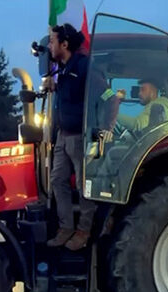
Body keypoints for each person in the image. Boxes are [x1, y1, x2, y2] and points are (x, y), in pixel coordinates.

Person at [44, 23, 116, 251]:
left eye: (52, 41)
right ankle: (66, 227)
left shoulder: (85, 68)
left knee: (85, 186)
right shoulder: (63, 71)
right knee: (57, 181)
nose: (49, 46)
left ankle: (84, 230)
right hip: (63, 137)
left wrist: (106, 129)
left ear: (64, 44)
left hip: (80, 137)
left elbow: (111, 98)